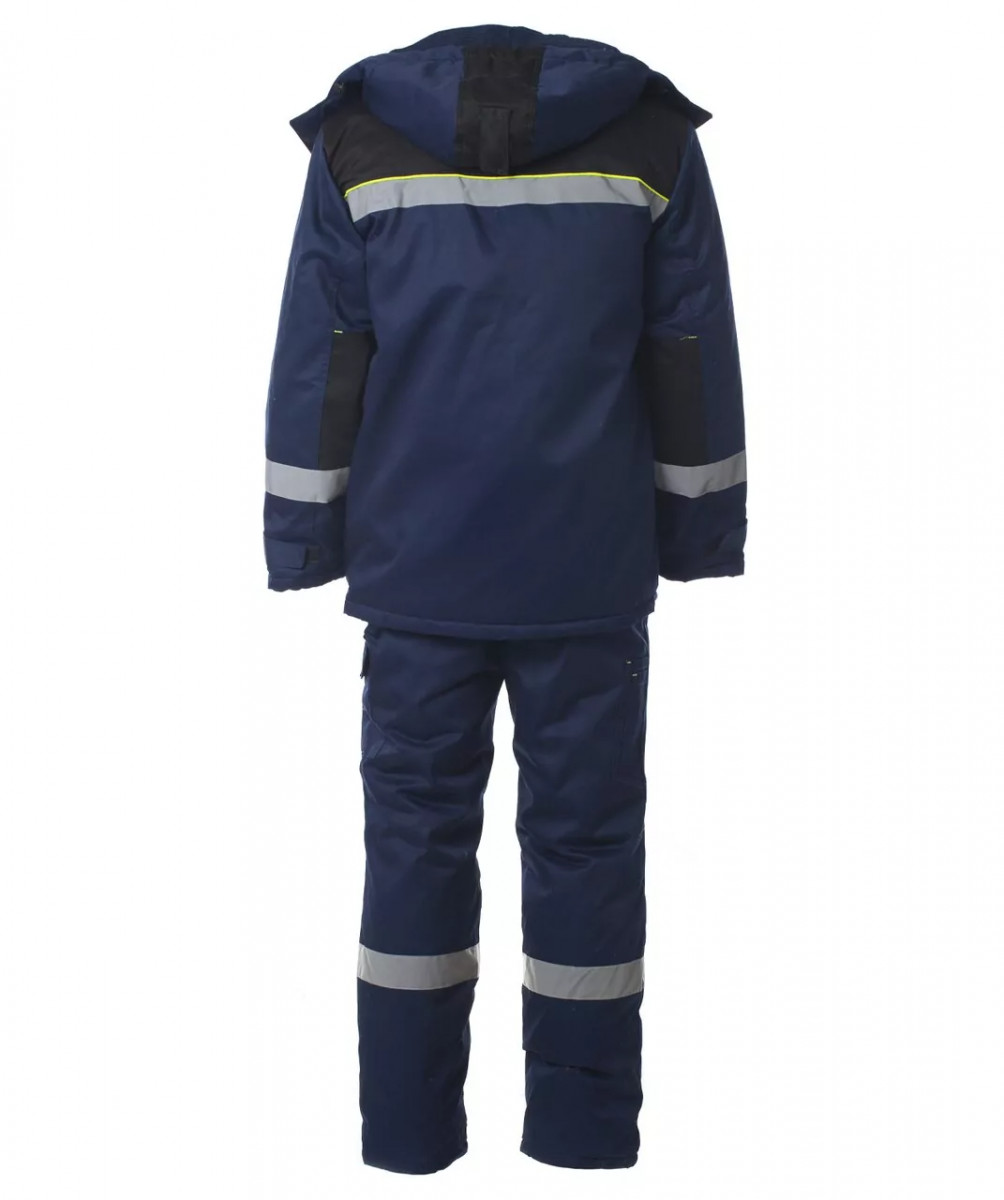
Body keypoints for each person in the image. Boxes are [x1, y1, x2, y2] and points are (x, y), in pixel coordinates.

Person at [262, 23, 746, 1173]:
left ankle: (408, 1135)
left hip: (416, 570)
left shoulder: (358, 141)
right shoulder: (647, 138)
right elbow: (686, 347)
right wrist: (694, 532)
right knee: (587, 847)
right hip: (584, 570)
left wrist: (304, 538)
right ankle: (582, 1138)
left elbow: (325, 351)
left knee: (413, 844)